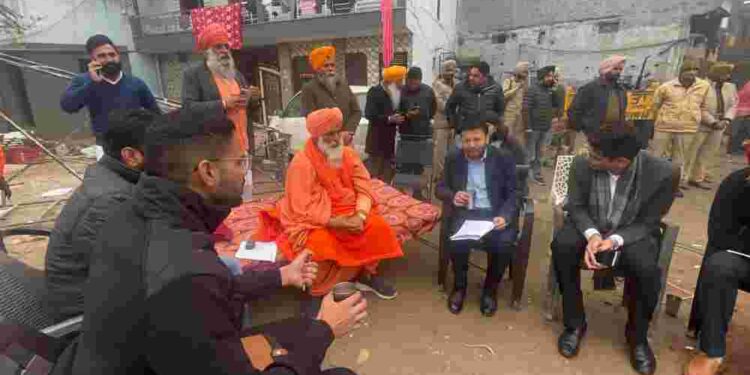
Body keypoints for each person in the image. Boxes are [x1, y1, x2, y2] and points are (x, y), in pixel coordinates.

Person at [57, 111, 364, 375]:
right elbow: (194, 289)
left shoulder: (133, 214)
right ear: (208, 172)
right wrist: (324, 329)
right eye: (240, 161)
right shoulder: (183, 272)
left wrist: (281, 275)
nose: (245, 172)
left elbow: (209, 291)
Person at [257, 108, 404, 317]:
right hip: (317, 218)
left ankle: (365, 274)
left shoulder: (348, 153)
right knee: (318, 245)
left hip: (350, 211)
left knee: (378, 228)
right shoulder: (302, 162)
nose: (336, 139)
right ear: (316, 137)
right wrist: (339, 222)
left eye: (337, 132)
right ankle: (316, 292)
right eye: (329, 135)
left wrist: (360, 216)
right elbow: (303, 208)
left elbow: (364, 187)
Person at [552, 131, 675, 375]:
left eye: (597, 156)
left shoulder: (661, 172)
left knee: (647, 269)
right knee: (562, 246)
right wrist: (593, 235)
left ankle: (637, 337)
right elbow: (575, 206)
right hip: (591, 223)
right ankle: (574, 323)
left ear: (620, 162)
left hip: (632, 230)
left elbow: (650, 221)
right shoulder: (581, 163)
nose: (589, 157)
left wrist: (616, 240)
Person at [44, 109, 153, 322]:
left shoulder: (110, 178)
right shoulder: (113, 200)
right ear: (130, 156)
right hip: (87, 318)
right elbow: (136, 273)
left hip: (95, 293)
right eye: (161, 151)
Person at [436, 121, 516, 317]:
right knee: (457, 238)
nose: (471, 145)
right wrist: (453, 195)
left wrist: (505, 216)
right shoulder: (454, 157)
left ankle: (490, 290)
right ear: (460, 140)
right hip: (467, 212)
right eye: (467, 140)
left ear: (487, 139)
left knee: (504, 243)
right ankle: (459, 287)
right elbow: (440, 187)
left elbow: (516, 192)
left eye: (477, 139)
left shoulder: (502, 158)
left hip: (494, 213)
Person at [684, 166, 750, 375]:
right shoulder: (738, 183)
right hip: (745, 258)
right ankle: (712, 351)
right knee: (720, 265)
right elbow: (719, 236)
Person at [60, 34, 159, 161]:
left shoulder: (135, 83)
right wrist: (94, 83)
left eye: (112, 55)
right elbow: (68, 106)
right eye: (102, 56)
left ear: (118, 56)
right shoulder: (84, 81)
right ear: (92, 60)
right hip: (106, 149)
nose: (109, 59)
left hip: (137, 147)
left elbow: (155, 113)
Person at [181, 23, 261, 153]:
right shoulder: (193, 74)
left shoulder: (236, 75)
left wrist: (253, 99)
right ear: (207, 52)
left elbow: (250, 111)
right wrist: (224, 104)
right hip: (217, 152)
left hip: (244, 149)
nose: (224, 50)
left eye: (226, 46)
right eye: (218, 47)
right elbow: (188, 109)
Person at [651, 60, 710, 195]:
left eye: (693, 75)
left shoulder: (704, 86)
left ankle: (673, 186)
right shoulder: (666, 87)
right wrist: (657, 121)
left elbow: (703, 106)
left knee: (679, 159)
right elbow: (655, 106)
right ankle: (653, 183)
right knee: (657, 156)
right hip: (664, 126)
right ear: (680, 74)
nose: (689, 78)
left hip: (688, 128)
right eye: (686, 74)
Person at [684, 62, 738, 189]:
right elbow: (697, 106)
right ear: (717, 74)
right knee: (691, 152)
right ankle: (683, 178)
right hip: (702, 124)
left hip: (721, 124)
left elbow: (734, 105)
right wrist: (712, 121)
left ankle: (697, 178)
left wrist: (726, 119)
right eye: (725, 74)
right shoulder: (701, 85)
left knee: (708, 153)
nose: (728, 77)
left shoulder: (730, 87)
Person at [301, 46, 362, 145]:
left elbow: (356, 111)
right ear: (318, 68)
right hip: (324, 144)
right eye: (326, 66)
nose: (330, 69)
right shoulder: (309, 88)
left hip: (346, 142)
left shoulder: (343, 85)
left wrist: (348, 131)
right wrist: (331, 135)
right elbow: (311, 119)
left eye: (332, 65)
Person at [568, 55, 628, 148]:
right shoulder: (590, 88)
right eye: (615, 69)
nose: (618, 72)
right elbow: (574, 111)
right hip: (589, 137)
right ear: (605, 69)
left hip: (612, 138)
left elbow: (622, 113)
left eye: (620, 69)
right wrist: (586, 130)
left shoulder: (621, 91)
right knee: (585, 161)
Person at [395, 66, 437, 198]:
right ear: (407, 80)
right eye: (411, 81)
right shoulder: (400, 91)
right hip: (406, 136)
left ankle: (418, 193)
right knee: (405, 167)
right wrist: (407, 115)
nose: (413, 84)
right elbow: (396, 112)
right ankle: (404, 195)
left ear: (420, 80)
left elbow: (433, 109)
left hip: (423, 136)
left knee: (419, 167)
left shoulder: (428, 91)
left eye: (416, 81)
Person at [364, 65, 408, 182]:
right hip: (376, 143)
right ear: (391, 82)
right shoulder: (375, 92)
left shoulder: (396, 93)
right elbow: (369, 114)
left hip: (389, 145)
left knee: (387, 178)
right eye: (400, 80)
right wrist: (389, 119)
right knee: (375, 178)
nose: (402, 84)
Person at [446, 61, 504, 138]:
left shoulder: (495, 88)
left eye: (476, 76)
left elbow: (500, 110)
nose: (471, 78)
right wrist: (453, 125)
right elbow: (450, 107)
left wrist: (495, 124)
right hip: (464, 131)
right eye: (470, 75)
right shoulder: (460, 88)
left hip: (487, 133)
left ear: (485, 76)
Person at [523, 65, 558, 186]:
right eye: (548, 76)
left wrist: (555, 89)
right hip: (533, 128)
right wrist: (528, 127)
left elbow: (556, 105)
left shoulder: (550, 90)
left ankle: (537, 174)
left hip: (545, 127)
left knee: (540, 153)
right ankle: (523, 176)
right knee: (529, 153)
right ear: (541, 77)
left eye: (552, 76)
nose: (551, 78)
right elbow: (526, 109)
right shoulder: (532, 89)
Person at [432, 59, 457, 184]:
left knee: (452, 153)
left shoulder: (455, 85)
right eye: (448, 70)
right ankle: (439, 177)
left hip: (453, 125)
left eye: (453, 70)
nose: (451, 73)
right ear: (443, 71)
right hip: (441, 124)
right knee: (440, 154)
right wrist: (453, 106)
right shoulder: (437, 85)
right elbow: (439, 104)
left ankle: (450, 176)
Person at [503, 61, 530, 145]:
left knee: (519, 136)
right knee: (508, 135)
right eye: (524, 72)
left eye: (526, 72)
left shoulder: (523, 83)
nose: (525, 74)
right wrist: (517, 88)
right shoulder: (508, 81)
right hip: (509, 114)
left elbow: (525, 95)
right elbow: (504, 95)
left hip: (519, 113)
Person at [729, 81, 750, 156]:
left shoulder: (747, 84)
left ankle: (734, 149)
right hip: (744, 110)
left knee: (743, 130)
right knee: (744, 130)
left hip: (742, 110)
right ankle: (734, 149)